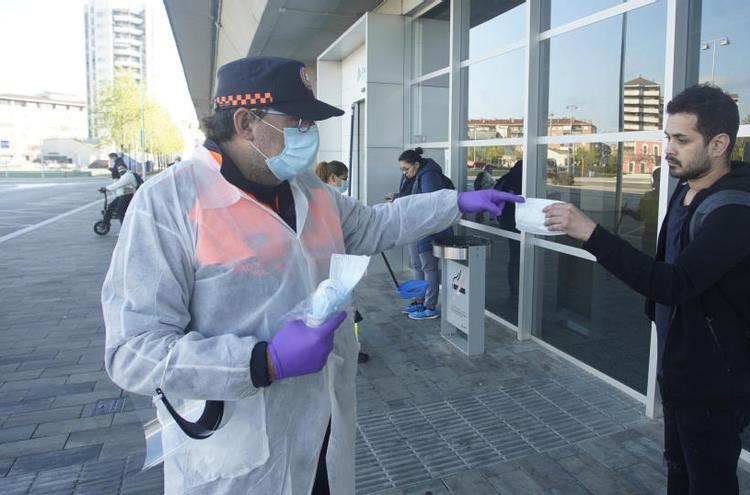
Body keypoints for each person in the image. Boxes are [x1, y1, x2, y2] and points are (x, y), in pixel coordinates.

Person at [101, 56, 521, 495]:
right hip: (240, 453)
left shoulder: (309, 191)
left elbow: (376, 225)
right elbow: (133, 351)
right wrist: (262, 361)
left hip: (320, 429)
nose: (310, 133)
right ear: (246, 122)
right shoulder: (168, 204)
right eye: (298, 120)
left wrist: (456, 203)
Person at [543, 84, 750, 495]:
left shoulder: (738, 213)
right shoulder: (686, 190)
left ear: (719, 144)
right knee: (679, 470)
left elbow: (675, 284)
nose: (668, 149)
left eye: (681, 139)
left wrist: (591, 233)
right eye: (667, 137)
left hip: (716, 380)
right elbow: (664, 265)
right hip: (681, 366)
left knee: (709, 482)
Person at [315, 159, 369, 364]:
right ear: (333, 178)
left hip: (331, 265)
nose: (345, 183)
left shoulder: (320, 196)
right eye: (344, 179)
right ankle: (348, 350)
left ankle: (346, 348)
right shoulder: (333, 200)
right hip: (338, 266)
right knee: (344, 311)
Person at [391, 147, 454, 321]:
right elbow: (411, 197)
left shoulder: (429, 176)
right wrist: (397, 197)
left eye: (406, 169)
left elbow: (429, 204)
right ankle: (419, 300)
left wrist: (399, 199)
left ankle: (429, 306)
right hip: (415, 229)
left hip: (428, 230)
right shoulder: (413, 176)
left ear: (417, 164)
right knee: (417, 266)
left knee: (429, 268)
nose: (404, 173)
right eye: (402, 169)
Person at [493, 160, 522, 299]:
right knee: (518, 257)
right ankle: (516, 288)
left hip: (508, 223)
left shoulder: (507, 178)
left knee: (515, 257)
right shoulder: (519, 180)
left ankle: (514, 287)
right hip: (516, 223)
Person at [622, 166, 662, 254]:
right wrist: (628, 212)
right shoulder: (647, 197)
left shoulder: (666, 199)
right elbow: (640, 216)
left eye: (659, 180)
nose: (657, 183)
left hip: (661, 234)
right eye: (656, 180)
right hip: (648, 235)